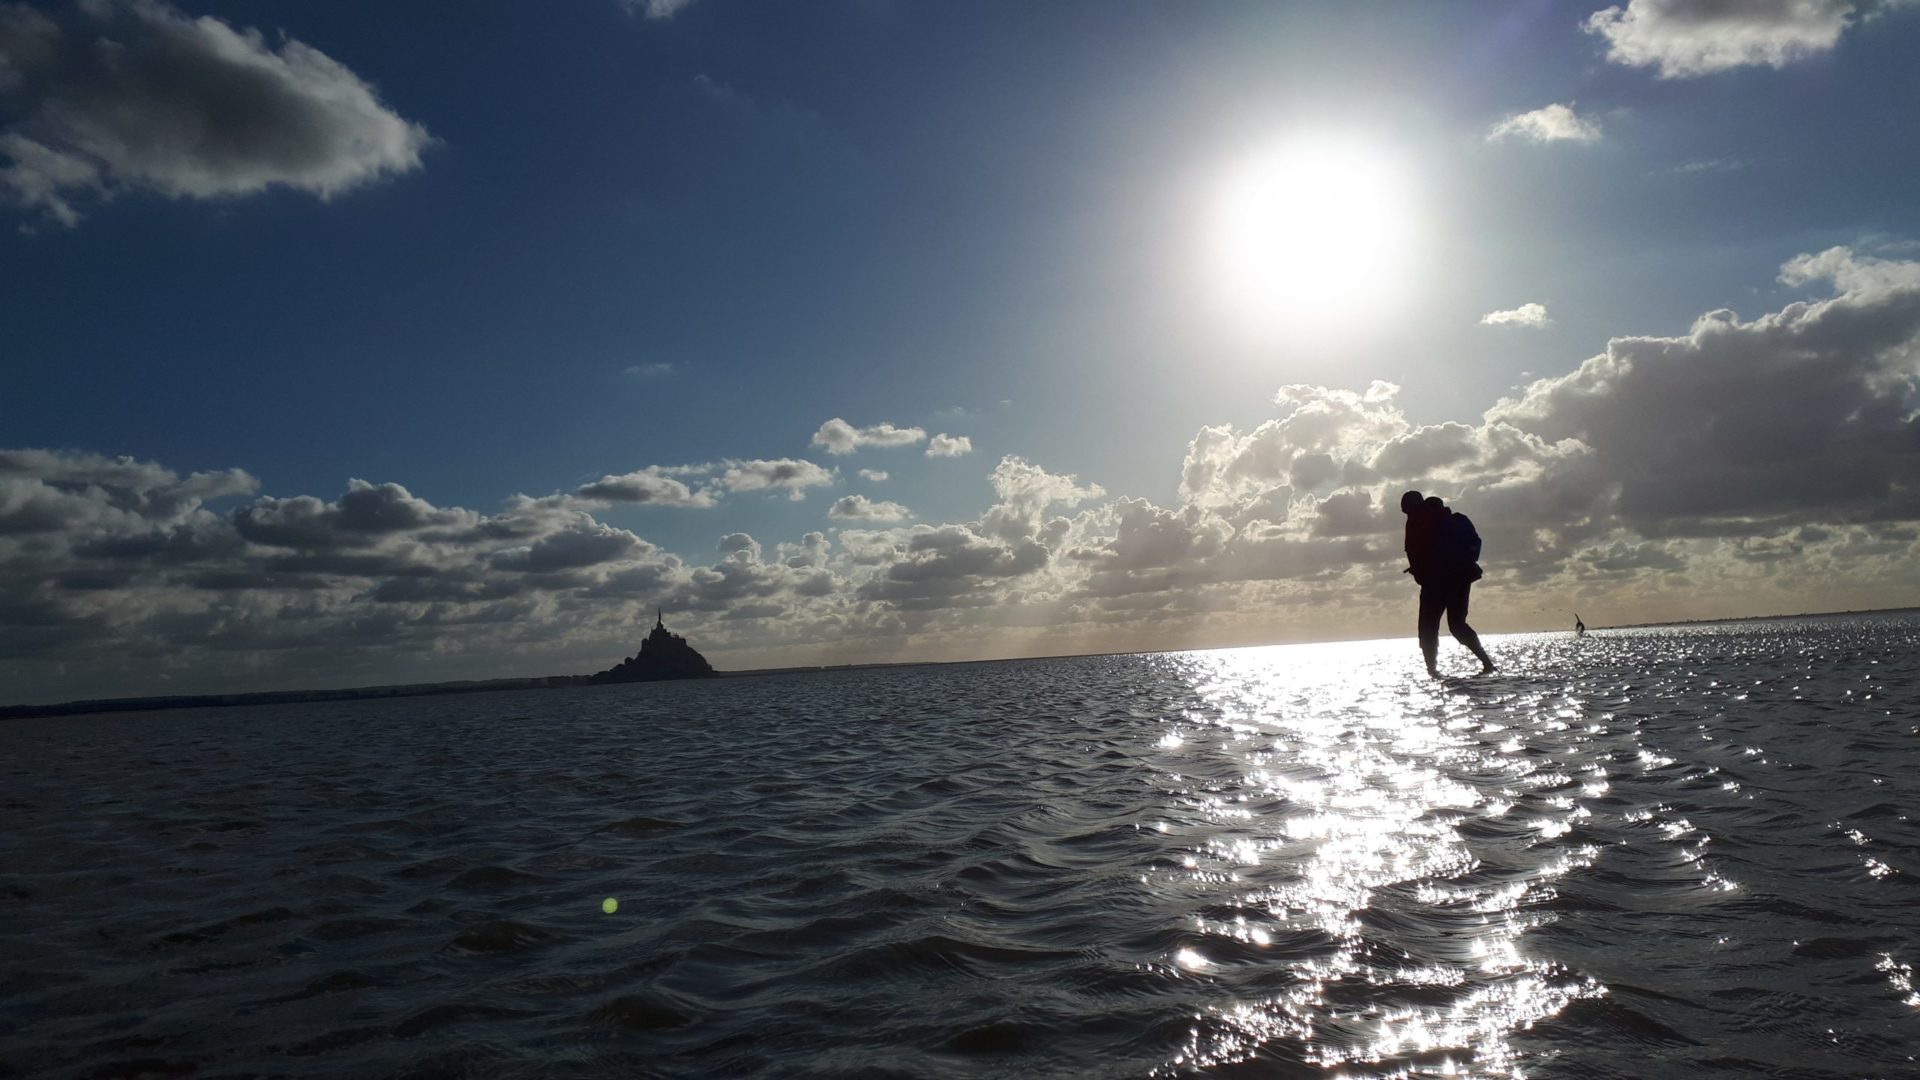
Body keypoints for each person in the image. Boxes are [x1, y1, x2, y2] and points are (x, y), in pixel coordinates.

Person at [1400, 490, 1495, 678]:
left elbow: (1416, 553)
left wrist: (1420, 571)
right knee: (1457, 624)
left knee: (1427, 628)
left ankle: (1432, 671)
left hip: (1435, 582)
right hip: (1461, 577)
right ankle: (1487, 663)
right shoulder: (1447, 518)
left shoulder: (1417, 521)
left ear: (1410, 507)